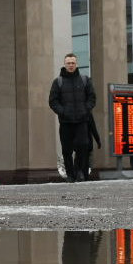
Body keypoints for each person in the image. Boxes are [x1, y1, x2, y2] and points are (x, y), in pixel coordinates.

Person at [48, 52, 95, 182]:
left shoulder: (84, 80)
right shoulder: (58, 82)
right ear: (64, 64)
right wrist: (62, 112)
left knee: (82, 145)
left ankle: (79, 170)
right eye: (68, 63)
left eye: (73, 63)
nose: (71, 65)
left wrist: (85, 109)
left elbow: (92, 98)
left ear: (76, 64)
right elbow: (53, 101)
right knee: (66, 150)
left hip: (81, 121)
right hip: (66, 122)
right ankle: (70, 174)